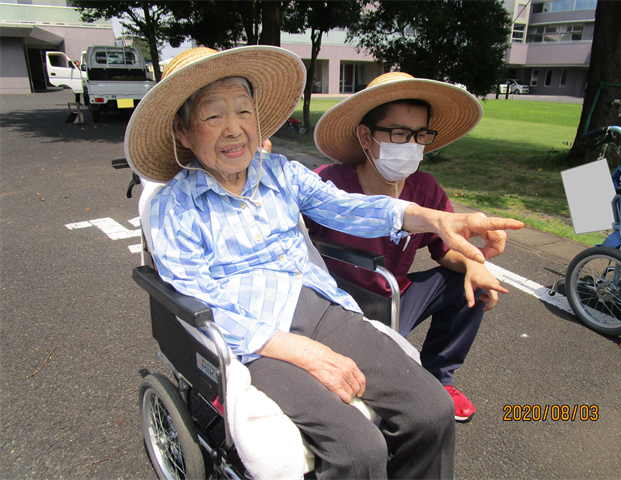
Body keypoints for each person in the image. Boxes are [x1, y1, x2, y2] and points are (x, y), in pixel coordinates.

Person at [125, 47, 523, 479]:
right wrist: (300, 350)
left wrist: (440, 219)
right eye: (212, 116)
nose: (234, 129)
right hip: (252, 340)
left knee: (432, 410)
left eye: (244, 110)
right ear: (183, 132)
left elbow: (349, 207)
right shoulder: (174, 206)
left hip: (320, 306)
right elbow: (199, 299)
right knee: (357, 449)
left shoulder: (280, 172)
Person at [308, 72, 507, 423]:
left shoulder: (425, 188)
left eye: (420, 135)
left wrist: (475, 264)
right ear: (366, 136)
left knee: (468, 284)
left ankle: (438, 377)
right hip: (334, 306)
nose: (411, 145)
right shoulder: (327, 182)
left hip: (395, 300)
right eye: (399, 134)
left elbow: (444, 248)